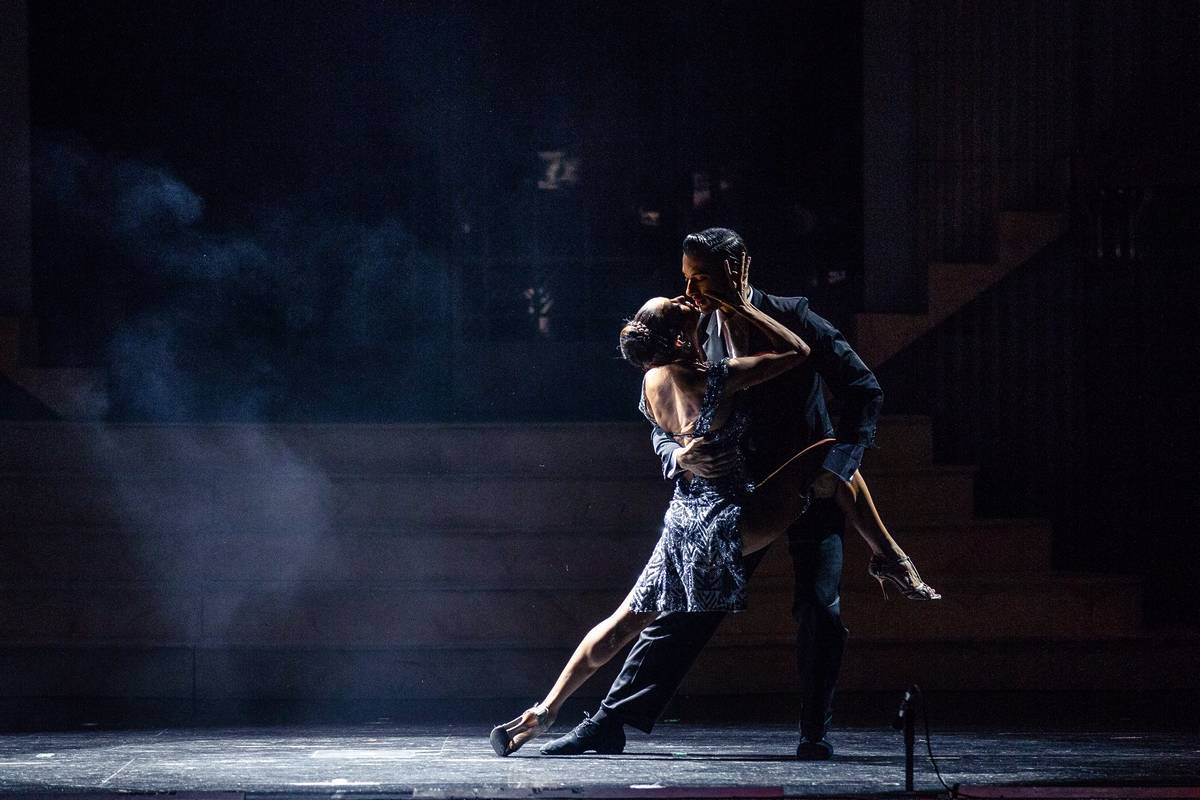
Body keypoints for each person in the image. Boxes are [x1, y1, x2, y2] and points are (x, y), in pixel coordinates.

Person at [538, 228, 936, 762]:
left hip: (809, 480)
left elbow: (864, 390)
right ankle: (610, 721)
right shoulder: (692, 333)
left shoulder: (793, 316)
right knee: (683, 609)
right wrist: (678, 455)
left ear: (739, 267)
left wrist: (838, 467)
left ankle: (814, 732)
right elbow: (662, 417)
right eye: (686, 278)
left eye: (701, 277)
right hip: (732, 496)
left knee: (818, 607)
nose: (691, 290)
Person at [490, 280, 825, 757]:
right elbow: (797, 351)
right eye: (678, 306)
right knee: (830, 467)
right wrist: (741, 306)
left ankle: (544, 710)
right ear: (678, 337)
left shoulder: (651, 381)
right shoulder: (712, 378)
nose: (687, 298)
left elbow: (667, 433)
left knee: (624, 622)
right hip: (720, 520)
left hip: (682, 517)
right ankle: (885, 552)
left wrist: (681, 455)